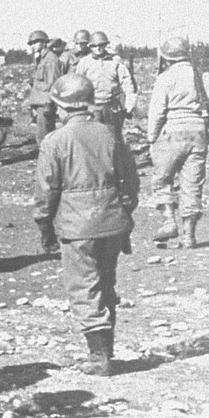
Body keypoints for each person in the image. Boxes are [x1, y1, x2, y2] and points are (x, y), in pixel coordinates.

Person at [34, 73, 138, 376]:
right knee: (106, 285)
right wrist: (124, 211)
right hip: (113, 223)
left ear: (63, 107)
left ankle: (98, 358)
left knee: (84, 288)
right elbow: (131, 181)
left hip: (77, 228)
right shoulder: (111, 134)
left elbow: (46, 192)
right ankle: (106, 352)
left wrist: (45, 229)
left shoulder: (54, 141)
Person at [146, 37, 209, 249]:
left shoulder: (165, 78)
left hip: (172, 132)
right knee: (192, 185)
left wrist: (152, 137)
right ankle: (189, 236)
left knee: (161, 178)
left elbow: (157, 112)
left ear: (166, 56)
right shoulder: (204, 77)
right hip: (199, 134)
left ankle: (169, 221)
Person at [75, 30, 137, 139]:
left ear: (105, 45)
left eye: (101, 45)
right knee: (94, 137)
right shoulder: (84, 62)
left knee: (113, 136)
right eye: (94, 46)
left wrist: (130, 102)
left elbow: (126, 81)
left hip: (111, 105)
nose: (98, 48)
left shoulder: (115, 60)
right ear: (90, 47)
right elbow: (78, 83)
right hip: (92, 106)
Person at [25, 30, 62, 145]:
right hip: (40, 102)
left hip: (45, 103)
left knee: (44, 136)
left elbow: (54, 83)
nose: (33, 45)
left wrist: (49, 104)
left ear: (44, 43)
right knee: (43, 135)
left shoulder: (51, 59)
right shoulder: (41, 59)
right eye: (31, 43)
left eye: (35, 42)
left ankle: (47, 160)